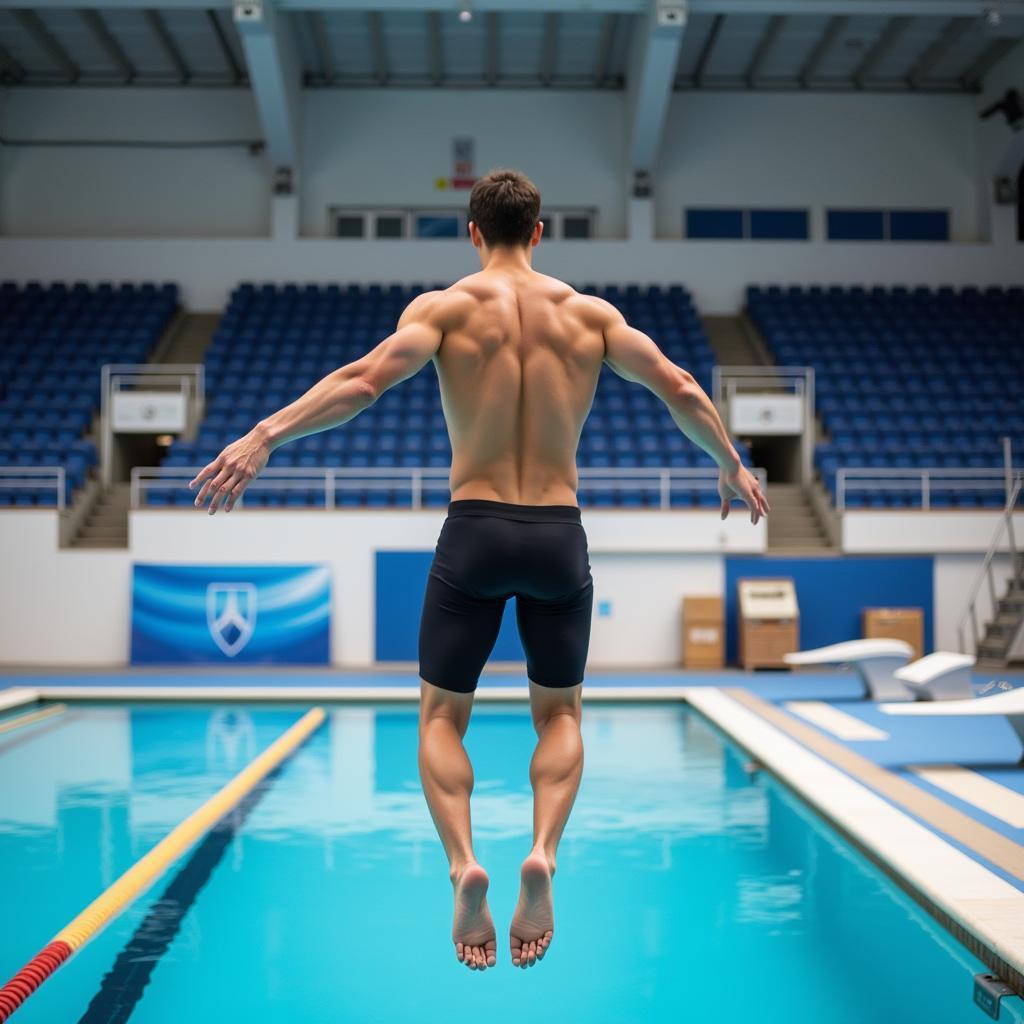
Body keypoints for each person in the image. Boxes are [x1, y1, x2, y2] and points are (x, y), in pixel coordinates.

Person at [189, 169, 769, 972]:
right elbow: (677, 385)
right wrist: (730, 463)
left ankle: (465, 866)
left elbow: (362, 383)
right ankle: (542, 852)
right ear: (538, 233)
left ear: (472, 232)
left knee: (438, 718)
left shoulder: (446, 308)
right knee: (559, 712)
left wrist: (264, 435)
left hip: (476, 530)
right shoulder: (591, 316)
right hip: (558, 536)